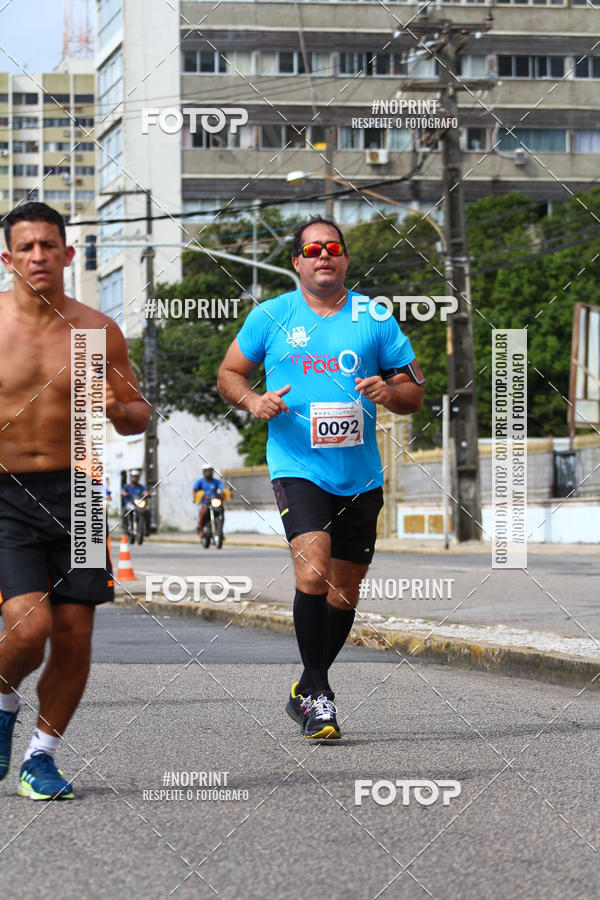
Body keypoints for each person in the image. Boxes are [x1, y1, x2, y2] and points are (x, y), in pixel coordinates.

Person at [218, 216, 424, 740]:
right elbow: (229, 374)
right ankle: (321, 695)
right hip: (296, 465)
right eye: (312, 250)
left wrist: (389, 392)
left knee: (345, 591)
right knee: (313, 572)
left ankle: (307, 686)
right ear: (296, 262)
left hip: (359, 474)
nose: (323, 256)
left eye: (332, 247)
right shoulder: (271, 316)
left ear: (346, 257)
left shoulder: (375, 316)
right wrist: (253, 400)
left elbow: (413, 391)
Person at [0, 202, 150, 799]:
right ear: (8, 258)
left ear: (67, 254)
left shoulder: (95, 331)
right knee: (28, 626)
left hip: (81, 494)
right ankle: (3, 698)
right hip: (5, 490)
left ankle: (42, 755)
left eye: (49, 246)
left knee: (75, 635)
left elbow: (138, 411)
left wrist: (119, 409)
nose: (39, 256)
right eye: (26, 247)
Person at [192, 466, 226, 535]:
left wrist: (225, 493)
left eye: (210, 471)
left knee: (221, 511)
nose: (208, 473)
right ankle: (201, 530)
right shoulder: (200, 481)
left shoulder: (216, 481)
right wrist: (195, 496)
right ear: (204, 472)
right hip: (205, 502)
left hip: (214, 501)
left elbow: (222, 488)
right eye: (207, 471)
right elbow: (194, 490)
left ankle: (220, 531)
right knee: (202, 513)